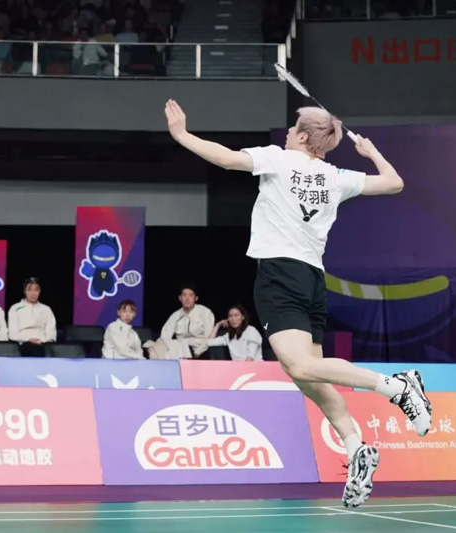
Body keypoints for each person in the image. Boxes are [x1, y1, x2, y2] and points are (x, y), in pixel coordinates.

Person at [164, 99, 432, 508]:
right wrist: (371, 152)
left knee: (300, 367)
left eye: (293, 128)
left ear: (304, 137)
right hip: (313, 279)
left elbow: (226, 159)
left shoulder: (278, 158)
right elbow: (394, 183)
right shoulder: (335, 176)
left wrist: (182, 134)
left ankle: (397, 386)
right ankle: (356, 447)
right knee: (311, 379)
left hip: (279, 276)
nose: (288, 132)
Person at [148, 284, 215, 360]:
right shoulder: (175, 316)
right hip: (181, 348)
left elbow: (208, 337)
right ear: (180, 298)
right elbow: (165, 336)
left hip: (200, 348)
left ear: (196, 298)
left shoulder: (205, 312)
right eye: (184, 295)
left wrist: (198, 352)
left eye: (190, 295)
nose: (187, 299)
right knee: (156, 346)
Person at [8, 277, 57, 357]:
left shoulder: (46, 309)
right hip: (23, 344)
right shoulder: (15, 308)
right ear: (25, 291)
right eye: (29, 290)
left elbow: (51, 332)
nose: (33, 293)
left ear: (39, 291)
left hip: (43, 343)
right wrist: (28, 339)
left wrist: (44, 341)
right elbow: (13, 334)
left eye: (36, 290)